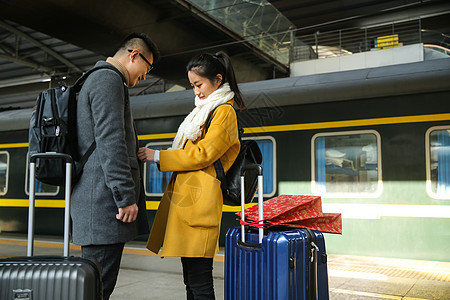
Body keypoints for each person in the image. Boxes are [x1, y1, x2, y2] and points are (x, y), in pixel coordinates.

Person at [137, 51, 246, 299]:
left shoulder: (223, 112)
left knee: (200, 280)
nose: (196, 91)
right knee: (191, 279)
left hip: (200, 205)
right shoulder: (206, 111)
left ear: (218, 80)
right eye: (192, 86)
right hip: (190, 203)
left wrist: (158, 156)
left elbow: (204, 154)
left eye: (199, 84)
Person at [70, 33, 159, 300]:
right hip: (104, 206)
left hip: (98, 203)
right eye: (147, 68)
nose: (145, 76)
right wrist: (124, 197)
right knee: (98, 289)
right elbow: (111, 141)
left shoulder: (99, 78)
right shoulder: (108, 79)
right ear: (134, 55)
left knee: (96, 287)